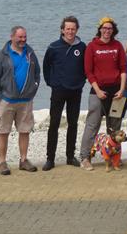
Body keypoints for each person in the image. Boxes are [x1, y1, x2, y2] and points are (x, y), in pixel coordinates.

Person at [0, 26, 40, 175]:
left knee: (25, 131)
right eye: (20, 37)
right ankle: (2, 162)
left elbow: (37, 72)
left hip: (26, 100)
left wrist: (33, 88)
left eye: (25, 37)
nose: (23, 40)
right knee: (3, 131)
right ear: (12, 37)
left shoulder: (30, 53)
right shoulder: (3, 55)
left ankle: (23, 160)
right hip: (7, 100)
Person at [79, 17, 126, 171]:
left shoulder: (118, 45)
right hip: (97, 92)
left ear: (113, 30)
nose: (107, 31)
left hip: (116, 92)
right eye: (104, 28)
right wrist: (98, 90)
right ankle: (85, 157)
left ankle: (114, 157)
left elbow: (123, 69)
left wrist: (122, 89)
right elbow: (88, 71)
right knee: (92, 125)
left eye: (110, 29)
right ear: (100, 29)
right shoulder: (92, 46)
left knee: (115, 126)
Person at [42, 16, 86, 171]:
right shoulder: (53, 47)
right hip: (58, 90)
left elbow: (85, 67)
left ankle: (69, 156)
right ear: (62, 30)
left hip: (76, 90)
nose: (70, 31)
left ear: (76, 30)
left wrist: (81, 82)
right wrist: (52, 83)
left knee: (73, 124)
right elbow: (46, 67)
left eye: (73, 29)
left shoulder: (82, 47)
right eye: (67, 29)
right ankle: (50, 158)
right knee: (54, 124)